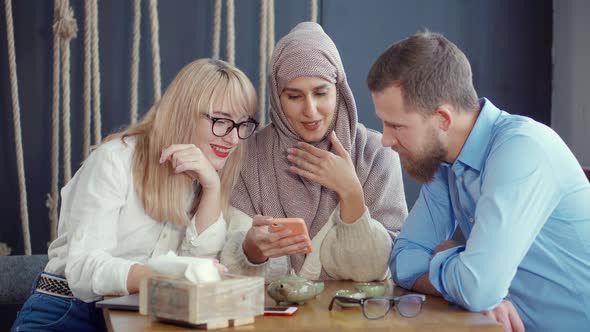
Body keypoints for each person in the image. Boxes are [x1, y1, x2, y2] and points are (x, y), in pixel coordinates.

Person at [11, 59, 258, 332]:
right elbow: (83, 269)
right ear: (183, 112)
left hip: (142, 316)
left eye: (243, 124)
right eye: (221, 121)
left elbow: (195, 272)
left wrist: (212, 187)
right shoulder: (115, 160)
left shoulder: (206, 176)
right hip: (68, 311)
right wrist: (163, 275)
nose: (234, 139)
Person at [367, 31, 590, 331]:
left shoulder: (522, 150)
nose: (386, 140)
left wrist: (469, 278)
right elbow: (404, 262)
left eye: (396, 125)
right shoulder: (444, 164)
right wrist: (471, 282)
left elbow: (477, 288)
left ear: (443, 119)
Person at [221, 22, 408, 282]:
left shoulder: (376, 154)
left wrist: (351, 192)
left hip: (355, 321)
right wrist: (251, 252)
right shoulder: (248, 156)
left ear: (340, 90)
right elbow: (227, 269)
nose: (310, 110)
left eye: (321, 93)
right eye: (294, 96)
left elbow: (380, 270)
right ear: (277, 97)